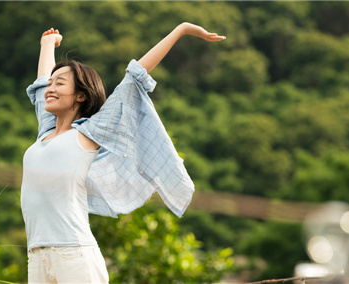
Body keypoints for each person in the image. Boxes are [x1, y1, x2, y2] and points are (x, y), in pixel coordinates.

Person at [21, 23, 226, 283]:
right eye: (51, 83)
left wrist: (181, 29)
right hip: (36, 254)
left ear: (81, 96)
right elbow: (40, 85)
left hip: (73, 253)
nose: (50, 88)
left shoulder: (88, 133)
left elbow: (135, 76)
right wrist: (47, 45)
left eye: (59, 83)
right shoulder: (45, 132)